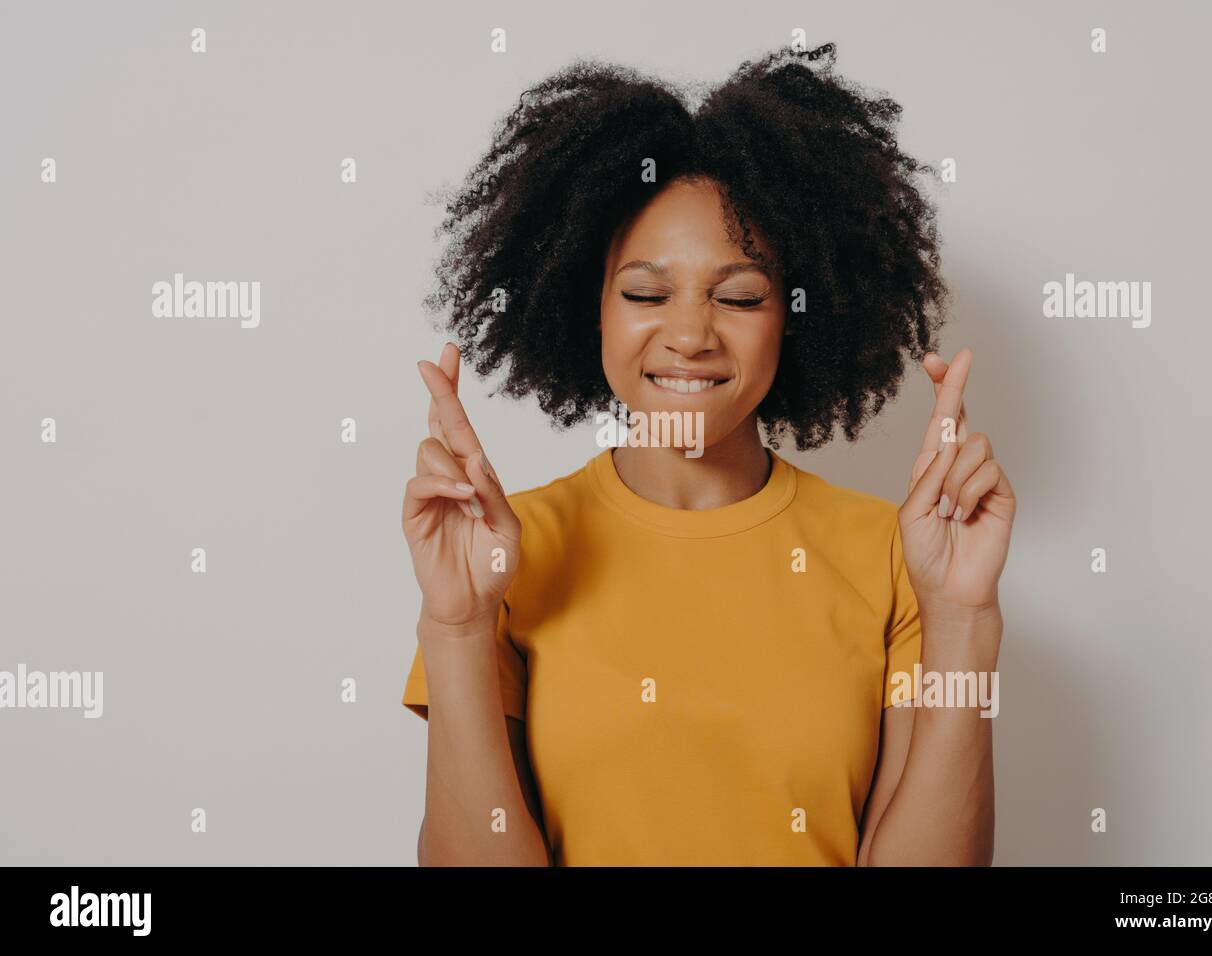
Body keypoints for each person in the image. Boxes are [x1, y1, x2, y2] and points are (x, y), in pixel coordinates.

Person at [400, 42, 1015, 866]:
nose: (689, 335)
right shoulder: (505, 554)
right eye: (648, 294)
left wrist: (964, 617)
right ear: (592, 308)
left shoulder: (898, 558)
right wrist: (459, 627)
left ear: (795, 313)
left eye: (738, 296)